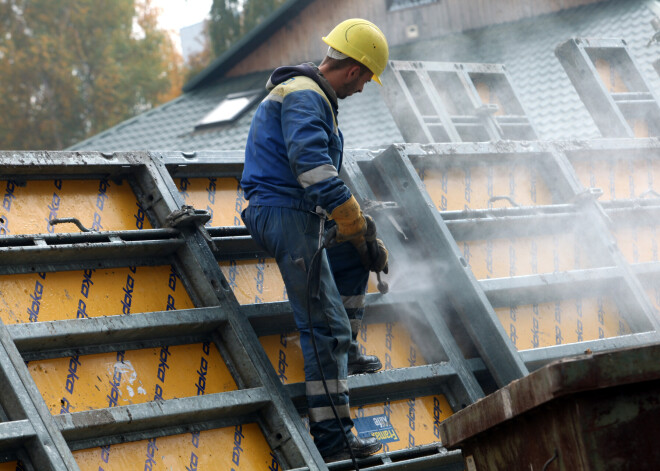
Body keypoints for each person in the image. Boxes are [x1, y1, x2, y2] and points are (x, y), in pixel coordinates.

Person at [240, 18, 390, 461]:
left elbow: (323, 177)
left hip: (299, 212)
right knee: (325, 326)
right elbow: (315, 170)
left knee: (353, 256)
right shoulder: (306, 96)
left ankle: (346, 348)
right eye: (365, 81)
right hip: (284, 214)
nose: (362, 90)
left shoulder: (311, 95)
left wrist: (358, 231)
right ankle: (334, 440)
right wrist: (354, 220)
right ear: (355, 71)